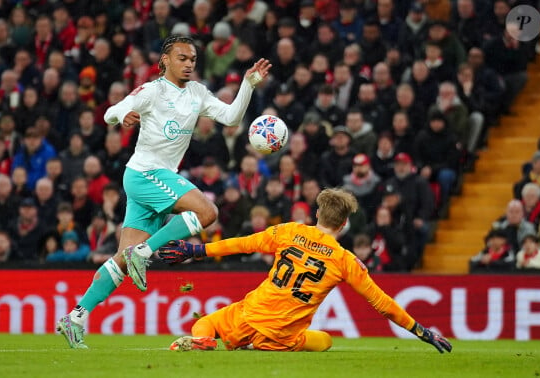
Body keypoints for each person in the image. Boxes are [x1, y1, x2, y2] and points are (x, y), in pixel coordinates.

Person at [56, 35, 271, 349]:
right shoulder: (152, 91)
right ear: (165, 61)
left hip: (154, 178)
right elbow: (110, 112)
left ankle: (75, 317)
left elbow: (231, 117)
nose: (188, 64)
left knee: (122, 262)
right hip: (145, 173)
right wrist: (122, 116)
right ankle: (143, 252)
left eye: (193, 59)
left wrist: (249, 84)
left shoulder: (197, 93)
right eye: (182, 58)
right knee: (207, 212)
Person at [158, 188, 452, 353]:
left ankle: (203, 341)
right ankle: (258, 347)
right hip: (284, 337)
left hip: (250, 316)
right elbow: (381, 303)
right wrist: (421, 331)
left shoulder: (288, 231)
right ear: (344, 224)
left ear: (317, 214)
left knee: (207, 323)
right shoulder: (344, 260)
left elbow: (243, 244)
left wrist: (196, 251)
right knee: (325, 341)